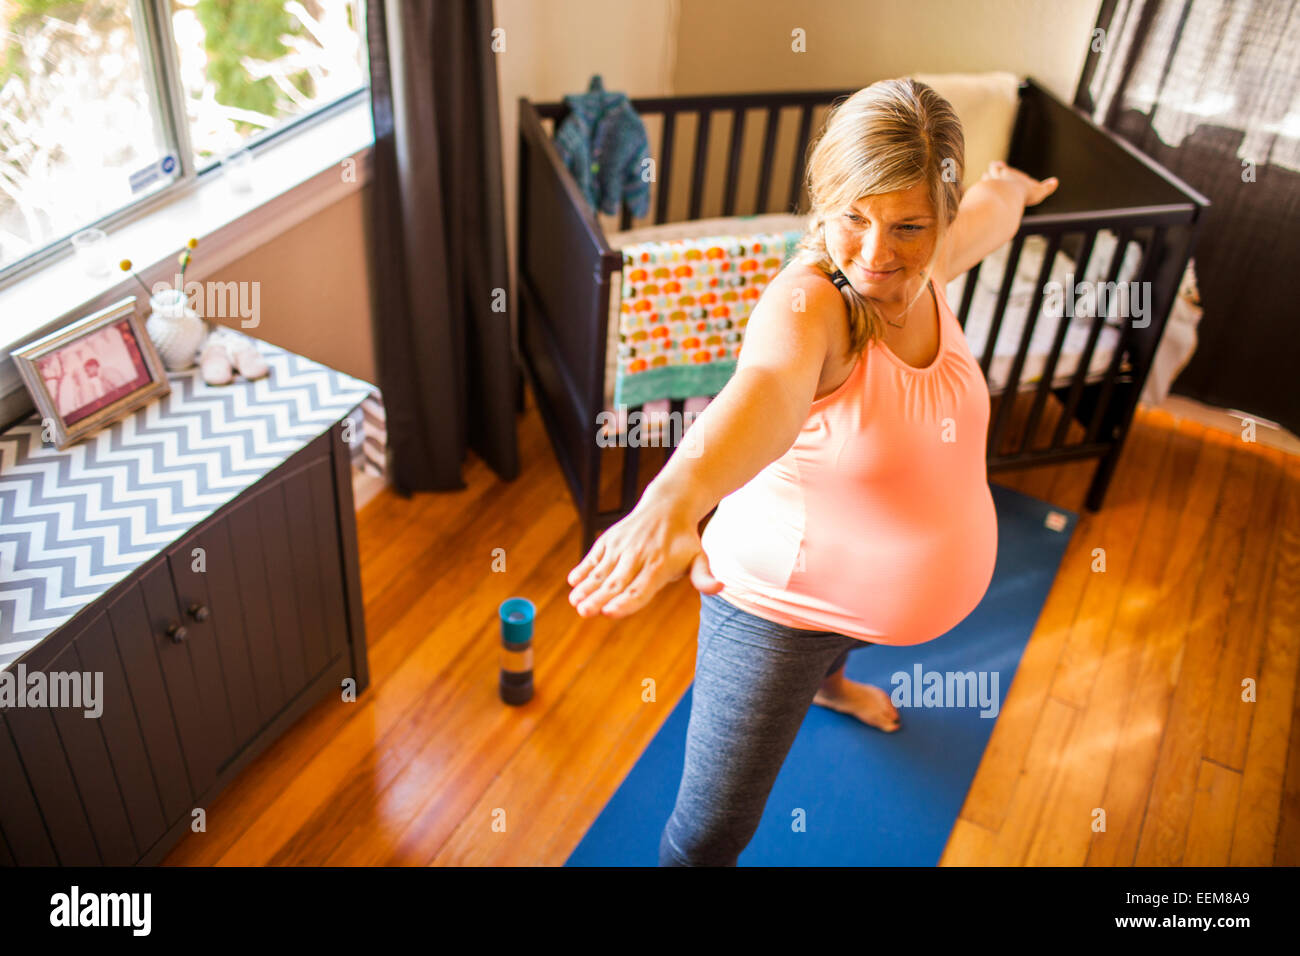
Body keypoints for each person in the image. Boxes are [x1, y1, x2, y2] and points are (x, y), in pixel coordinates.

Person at [566, 77, 1060, 867]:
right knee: (710, 832)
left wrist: (1013, 189)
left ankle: (831, 685)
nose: (875, 254)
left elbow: (989, 220)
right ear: (824, 200)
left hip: (858, 599)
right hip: (778, 603)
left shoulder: (926, 269)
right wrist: (675, 496)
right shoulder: (809, 308)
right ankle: (815, 678)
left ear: (942, 217)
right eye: (853, 218)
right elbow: (763, 390)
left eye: (908, 225)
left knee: (840, 643)